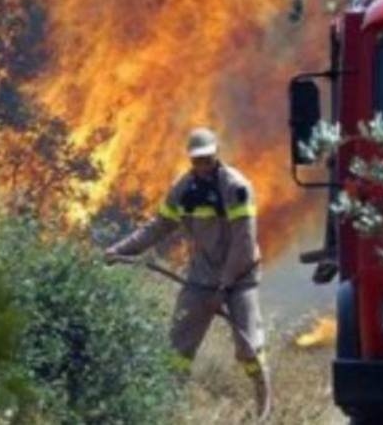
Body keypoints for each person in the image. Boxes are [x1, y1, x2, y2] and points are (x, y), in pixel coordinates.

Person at [104, 127, 267, 412]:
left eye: (206, 159)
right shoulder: (183, 189)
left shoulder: (236, 187)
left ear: (216, 155)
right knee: (178, 346)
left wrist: (225, 287)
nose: (201, 166)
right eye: (196, 160)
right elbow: (158, 227)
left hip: (239, 278)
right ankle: (169, 406)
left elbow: (243, 242)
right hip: (202, 278)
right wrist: (120, 250)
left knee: (248, 347)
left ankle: (264, 401)